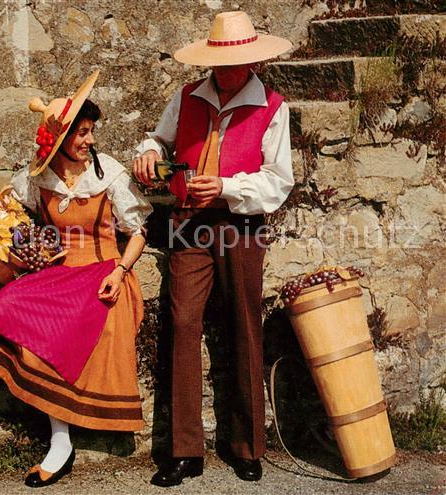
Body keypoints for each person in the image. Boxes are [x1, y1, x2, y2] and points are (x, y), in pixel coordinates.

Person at [0, 71, 153, 488]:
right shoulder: (40, 175)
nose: (88, 140)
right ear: (62, 139)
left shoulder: (111, 175)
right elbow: (3, 202)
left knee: (61, 330)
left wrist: (122, 272)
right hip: (58, 271)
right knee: (6, 302)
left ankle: (61, 442)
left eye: (90, 132)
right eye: (81, 133)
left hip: (104, 271)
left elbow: (138, 232)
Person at [133, 11, 293, 487]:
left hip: (240, 225)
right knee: (183, 325)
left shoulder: (272, 105)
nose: (224, 71)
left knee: (244, 324)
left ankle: (246, 447)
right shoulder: (186, 97)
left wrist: (224, 186)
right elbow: (159, 139)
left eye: (234, 62)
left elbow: (277, 181)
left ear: (250, 60)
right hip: (187, 224)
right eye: (218, 62)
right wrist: (148, 151)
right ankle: (184, 452)